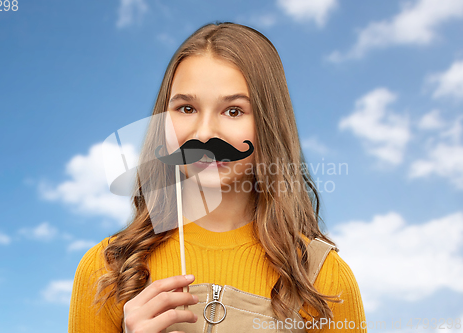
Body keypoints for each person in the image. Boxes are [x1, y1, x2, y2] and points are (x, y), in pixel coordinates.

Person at [68, 22, 366, 333]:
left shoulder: (323, 278)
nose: (205, 133)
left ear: (269, 124)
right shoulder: (106, 271)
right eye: (186, 108)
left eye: (234, 111)